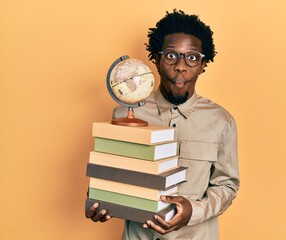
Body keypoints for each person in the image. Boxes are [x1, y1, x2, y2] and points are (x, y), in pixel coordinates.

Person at [86, 9, 240, 240]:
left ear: (203, 65)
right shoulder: (126, 114)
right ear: (156, 60)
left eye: (192, 57)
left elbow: (227, 186)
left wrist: (193, 211)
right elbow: (114, 173)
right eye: (171, 56)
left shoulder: (221, 121)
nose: (180, 66)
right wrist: (99, 198)